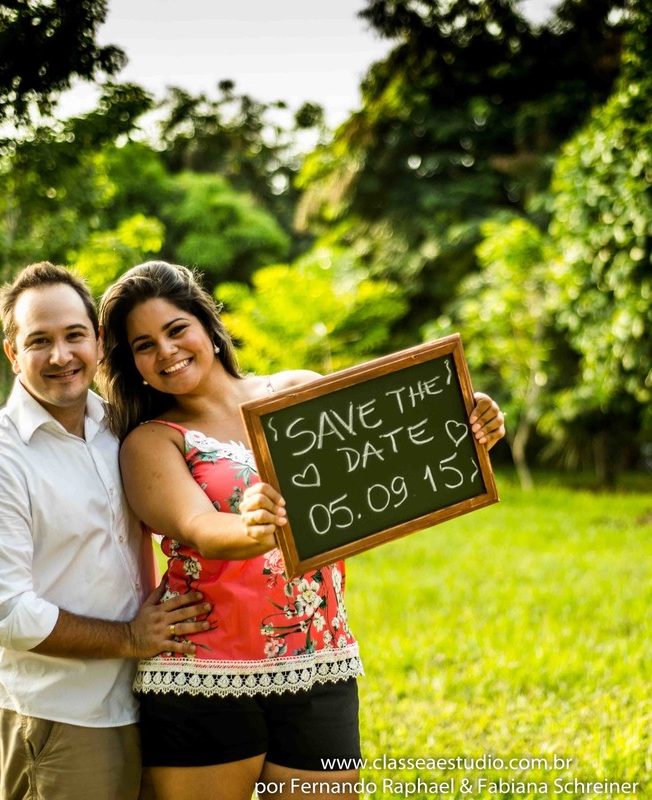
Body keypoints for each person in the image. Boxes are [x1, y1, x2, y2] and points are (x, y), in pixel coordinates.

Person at [96, 261, 506, 800]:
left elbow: (385, 454)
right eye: (144, 345)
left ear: (208, 329)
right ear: (134, 364)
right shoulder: (152, 442)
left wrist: (465, 425)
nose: (166, 351)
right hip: (206, 673)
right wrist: (255, 526)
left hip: (320, 662)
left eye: (176, 330)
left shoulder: (297, 394)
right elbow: (202, 527)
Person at [0, 262, 215, 800]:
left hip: (147, 699)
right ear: (13, 353)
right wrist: (131, 638)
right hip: (61, 716)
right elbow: (5, 615)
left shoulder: (121, 427)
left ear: (98, 340)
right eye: (40, 340)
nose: (61, 356)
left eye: (74, 336)